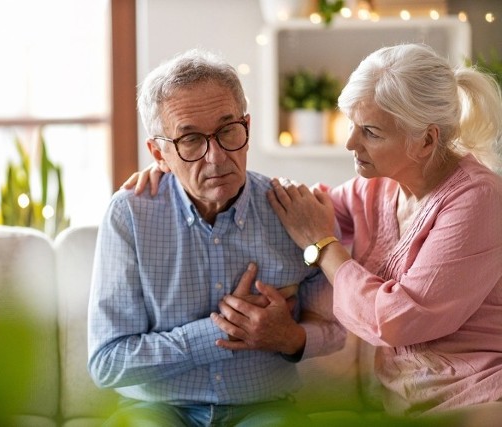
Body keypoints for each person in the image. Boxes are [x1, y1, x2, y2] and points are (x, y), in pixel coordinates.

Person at [124, 43, 502, 417]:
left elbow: (397, 320)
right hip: (408, 404)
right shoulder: (378, 187)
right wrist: (177, 168)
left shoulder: (480, 199)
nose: (350, 142)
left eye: (370, 131)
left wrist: (324, 247)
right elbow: (290, 209)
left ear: (426, 140)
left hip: (480, 397)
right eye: (352, 124)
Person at [87, 48, 345, 426]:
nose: (216, 157)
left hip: (264, 408)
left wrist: (289, 337)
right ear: (159, 153)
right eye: (190, 140)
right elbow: (107, 363)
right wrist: (216, 332)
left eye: (227, 131)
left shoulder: (293, 210)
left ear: (247, 127)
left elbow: (336, 332)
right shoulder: (130, 214)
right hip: (155, 410)